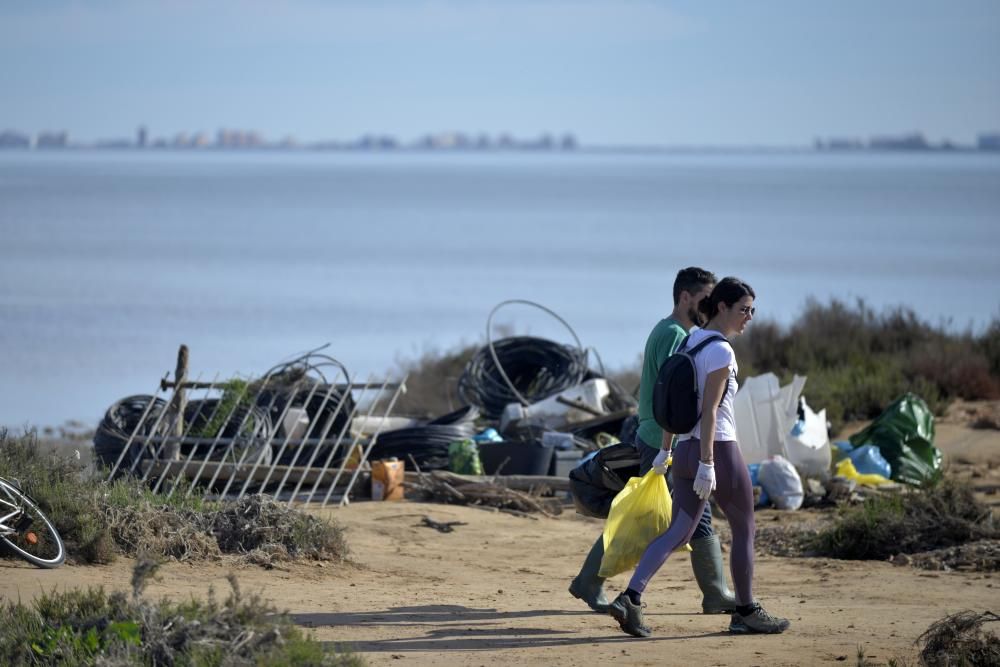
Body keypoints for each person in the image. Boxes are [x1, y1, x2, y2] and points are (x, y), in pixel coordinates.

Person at [608, 277, 790, 637]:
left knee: (678, 531)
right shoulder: (722, 351)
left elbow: (673, 400)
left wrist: (665, 450)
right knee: (744, 528)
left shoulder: (690, 340)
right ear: (722, 307)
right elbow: (709, 410)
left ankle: (630, 597)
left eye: (752, 311)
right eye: (743, 309)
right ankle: (746, 611)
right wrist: (709, 463)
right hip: (716, 449)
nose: (748, 317)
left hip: (684, 451)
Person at [569, 267, 737, 616]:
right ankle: (714, 593)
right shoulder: (676, 335)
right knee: (651, 518)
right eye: (705, 298)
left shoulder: (670, 330)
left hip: (656, 435)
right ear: (685, 297)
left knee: (674, 515)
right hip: (663, 439)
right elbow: (677, 399)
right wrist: (671, 447)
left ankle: (714, 593)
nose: (711, 306)